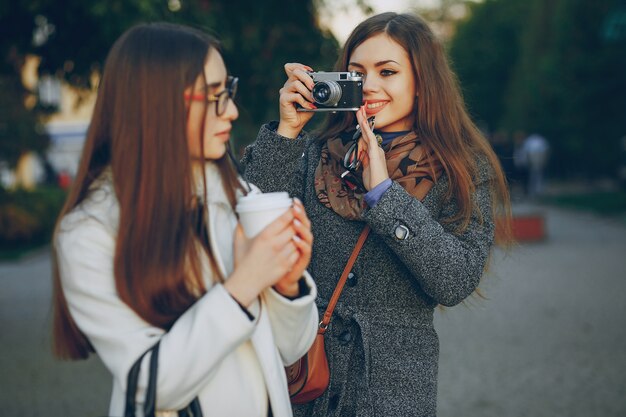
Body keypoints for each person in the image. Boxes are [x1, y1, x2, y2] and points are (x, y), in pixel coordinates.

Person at [243, 12, 512, 417]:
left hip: (393, 392)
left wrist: (385, 195)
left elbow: (456, 281)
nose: (370, 86)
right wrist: (286, 133)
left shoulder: (462, 168)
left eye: (388, 72)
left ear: (423, 83)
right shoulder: (315, 152)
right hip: (305, 380)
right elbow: (250, 229)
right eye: (356, 73)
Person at [51, 23, 318, 417]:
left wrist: (287, 284)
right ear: (156, 103)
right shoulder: (90, 232)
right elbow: (152, 387)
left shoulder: (240, 197)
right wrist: (243, 285)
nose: (232, 110)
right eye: (215, 96)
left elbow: (290, 348)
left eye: (230, 90)